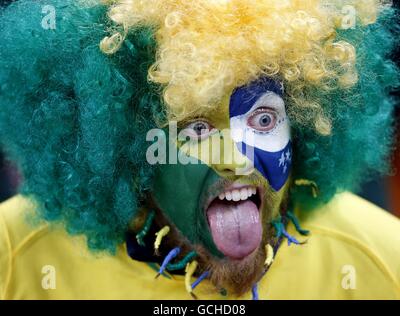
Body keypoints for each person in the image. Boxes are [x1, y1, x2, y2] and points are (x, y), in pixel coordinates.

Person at [0, 0, 399, 300]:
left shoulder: (382, 260)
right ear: (126, 145)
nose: (238, 159)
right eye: (196, 127)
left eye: (264, 120)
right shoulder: (14, 257)